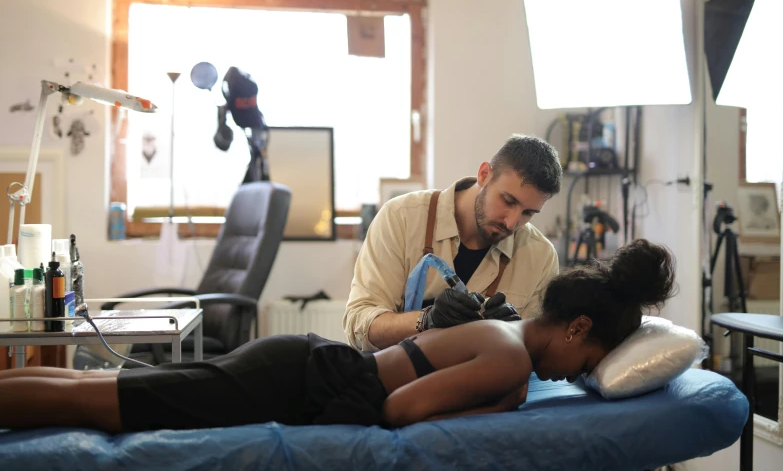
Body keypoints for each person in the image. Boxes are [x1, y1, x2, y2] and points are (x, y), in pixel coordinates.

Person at [0, 239, 675, 433]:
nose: (574, 372)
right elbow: (397, 409)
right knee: (109, 405)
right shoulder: (504, 358)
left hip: (301, 363)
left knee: (111, 387)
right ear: (577, 326)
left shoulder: (499, 332)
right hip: (296, 379)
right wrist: (495, 407)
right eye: (587, 358)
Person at [344, 134, 564, 352]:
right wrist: (426, 320)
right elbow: (359, 326)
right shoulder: (400, 218)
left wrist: (516, 334)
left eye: (528, 213)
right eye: (507, 201)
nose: (511, 222)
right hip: (393, 382)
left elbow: (538, 351)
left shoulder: (540, 256)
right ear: (484, 174)